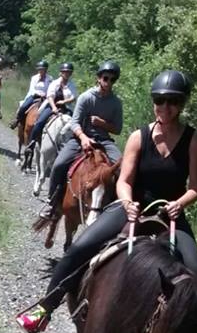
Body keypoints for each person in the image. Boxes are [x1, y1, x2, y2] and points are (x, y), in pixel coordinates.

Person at [16, 70, 197, 333]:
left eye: (172, 101)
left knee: (195, 277)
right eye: (159, 100)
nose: (165, 107)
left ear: (182, 103)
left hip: (171, 215)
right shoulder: (138, 137)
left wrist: (181, 202)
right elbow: (124, 180)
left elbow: (196, 186)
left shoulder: (194, 141)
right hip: (132, 207)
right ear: (153, 101)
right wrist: (128, 202)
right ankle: (46, 306)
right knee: (81, 247)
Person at [37, 61, 123, 220]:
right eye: (105, 78)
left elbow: (117, 129)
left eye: (112, 79)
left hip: (104, 140)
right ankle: (52, 203)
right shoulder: (85, 97)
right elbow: (75, 122)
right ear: (98, 78)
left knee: (123, 168)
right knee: (59, 164)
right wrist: (83, 137)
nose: (108, 82)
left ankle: (119, 209)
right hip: (80, 138)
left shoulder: (116, 103)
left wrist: (102, 123)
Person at [26, 62, 77, 148]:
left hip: (66, 108)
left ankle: (72, 147)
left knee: (74, 125)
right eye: (65, 72)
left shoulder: (72, 85)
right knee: (39, 122)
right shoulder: (54, 83)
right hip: (52, 105)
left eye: (69, 72)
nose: (67, 74)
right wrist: (53, 107)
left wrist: (64, 102)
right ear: (61, 72)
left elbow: (74, 97)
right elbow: (50, 96)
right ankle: (32, 143)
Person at [10, 60, 53, 129]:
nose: (41, 71)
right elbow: (32, 89)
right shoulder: (34, 78)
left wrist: (46, 95)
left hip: (45, 98)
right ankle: (17, 120)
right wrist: (37, 94)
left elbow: (51, 89)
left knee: (50, 110)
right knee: (24, 106)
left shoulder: (50, 79)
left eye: (43, 69)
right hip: (34, 96)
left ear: (46, 70)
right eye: (40, 69)